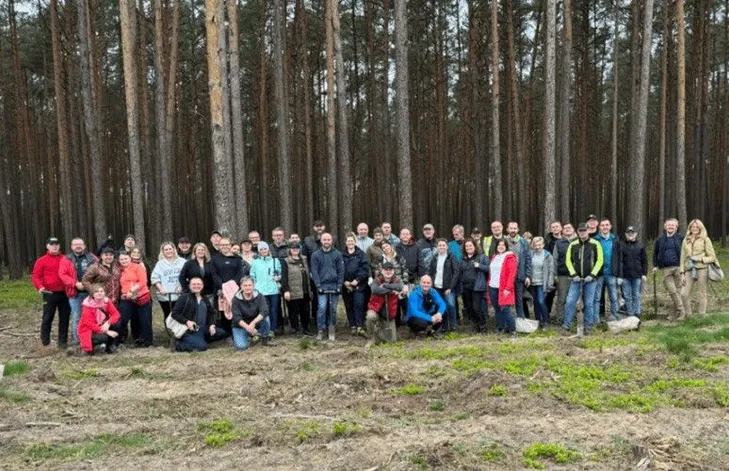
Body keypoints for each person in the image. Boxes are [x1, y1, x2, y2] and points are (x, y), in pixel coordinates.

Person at [562, 223, 603, 334]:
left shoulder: (595, 244)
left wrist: (593, 275)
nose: (583, 232)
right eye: (581, 231)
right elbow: (568, 261)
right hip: (576, 280)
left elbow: (600, 261)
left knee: (589, 303)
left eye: (584, 230)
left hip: (591, 280)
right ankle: (566, 325)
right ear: (578, 231)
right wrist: (573, 274)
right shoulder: (573, 244)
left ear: (588, 231)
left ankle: (588, 327)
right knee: (570, 302)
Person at [32, 237, 72, 349]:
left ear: (59, 246)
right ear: (47, 246)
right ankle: (45, 343)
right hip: (49, 293)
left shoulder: (65, 259)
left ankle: (62, 343)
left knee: (64, 318)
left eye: (56, 244)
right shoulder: (42, 260)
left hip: (65, 294)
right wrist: (40, 287)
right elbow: (35, 276)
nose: (54, 246)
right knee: (47, 318)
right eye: (52, 244)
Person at [168, 277, 227, 352]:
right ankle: (178, 344)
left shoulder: (204, 298)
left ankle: (198, 340)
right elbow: (175, 313)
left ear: (202, 286)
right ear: (189, 286)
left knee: (222, 333)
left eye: (199, 284)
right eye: (194, 284)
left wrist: (212, 325)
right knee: (202, 347)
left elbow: (211, 313)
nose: (196, 286)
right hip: (189, 330)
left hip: (203, 328)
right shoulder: (184, 297)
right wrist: (187, 322)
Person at [59, 237, 97, 345]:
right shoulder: (66, 259)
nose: (78, 246)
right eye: (75, 244)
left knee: (92, 316)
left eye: (80, 244)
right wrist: (75, 283)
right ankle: (78, 341)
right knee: (77, 317)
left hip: (90, 293)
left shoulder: (92, 258)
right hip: (74, 294)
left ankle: (92, 339)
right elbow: (62, 275)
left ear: (84, 246)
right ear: (71, 246)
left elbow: (99, 271)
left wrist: (89, 284)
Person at [310, 233, 345, 341]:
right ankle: (321, 329)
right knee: (322, 307)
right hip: (322, 285)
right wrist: (318, 285)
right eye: (324, 239)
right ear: (321, 241)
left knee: (333, 309)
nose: (326, 241)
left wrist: (339, 285)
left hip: (334, 285)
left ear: (331, 241)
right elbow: (314, 271)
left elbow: (341, 270)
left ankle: (332, 327)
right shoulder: (315, 255)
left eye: (328, 239)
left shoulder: (337, 254)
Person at [211, 237, 250, 334]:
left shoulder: (237, 258)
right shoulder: (214, 259)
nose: (225, 246)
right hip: (221, 290)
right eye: (222, 245)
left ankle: (240, 331)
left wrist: (233, 285)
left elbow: (240, 273)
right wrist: (223, 286)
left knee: (237, 310)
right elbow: (214, 274)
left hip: (236, 289)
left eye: (227, 244)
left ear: (230, 245)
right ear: (219, 246)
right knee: (225, 311)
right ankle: (228, 333)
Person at [680, 219, 717, 318]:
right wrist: (682, 273)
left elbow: (712, 257)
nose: (695, 228)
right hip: (688, 269)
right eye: (693, 227)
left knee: (701, 293)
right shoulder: (685, 240)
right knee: (683, 293)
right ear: (690, 228)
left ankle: (701, 316)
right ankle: (689, 316)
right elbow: (682, 257)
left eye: (697, 227)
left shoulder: (705, 239)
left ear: (701, 228)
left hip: (702, 269)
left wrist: (700, 259)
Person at [118, 251, 153, 347]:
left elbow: (143, 282)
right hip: (127, 298)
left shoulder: (138, 267)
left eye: (126, 258)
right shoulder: (119, 270)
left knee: (145, 320)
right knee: (123, 319)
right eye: (121, 259)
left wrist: (132, 290)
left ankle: (148, 342)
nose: (124, 261)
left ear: (130, 259)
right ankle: (118, 341)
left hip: (141, 296)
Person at [365, 262, 404, 347]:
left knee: (392, 341)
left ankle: (378, 332)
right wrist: (391, 290)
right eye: (386, 270)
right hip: (376, 310)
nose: (388, 272)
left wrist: (385, 285)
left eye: (390, 270)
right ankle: (370, 338)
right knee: (370, 316)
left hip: (388, 314)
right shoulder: (377, 280)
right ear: (382, 271)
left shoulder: (397, 280)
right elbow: (375, 290)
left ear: (393, 271)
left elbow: (400, 287)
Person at [653, 218, 685, 320]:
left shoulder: (680, 237)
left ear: (676, 227)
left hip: (679, 268)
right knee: (672, 291)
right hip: (666, 269)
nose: (670, 227)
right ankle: (682, 311)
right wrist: (655, 265)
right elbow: (655, 253)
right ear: (665, 226)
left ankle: (674, 314)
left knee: (678, 292)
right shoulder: (660, 239)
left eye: (673, 225)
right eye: (669, 225)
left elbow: (685, 252)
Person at [231, 276, 275, 350]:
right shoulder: (235, 299)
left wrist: (253, 323)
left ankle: (264, 339)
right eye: (245, 285)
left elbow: (265, 310)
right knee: (241, 347)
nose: (247, 288)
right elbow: (236, 318)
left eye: (250, 285)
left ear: (253, 286)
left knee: (265, 317)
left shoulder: (260, 296)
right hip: (241, 326)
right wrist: (248, 327)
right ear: (241, 286)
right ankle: (249, 337)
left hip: (256, 323)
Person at [249, 242, 283, 334]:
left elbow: (279, 273)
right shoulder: (255, 262)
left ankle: (272, 329)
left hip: (273, 290)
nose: (264, 251)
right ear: (259, 251)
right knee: (264, 311)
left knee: (274, 310)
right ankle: (265, 328)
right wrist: (255, 286)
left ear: (268, 249)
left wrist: (278, 277)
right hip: (261, 290)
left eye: (265, 249)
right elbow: (252, 276)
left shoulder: (275, 261)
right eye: (261, 249)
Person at [77, 284, 121, 355]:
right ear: (92, 294)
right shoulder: (87, 305)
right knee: (103, 337)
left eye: (101, 291)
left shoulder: (106, 301)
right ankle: (89, 348)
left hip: (102, 325)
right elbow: (90, 324)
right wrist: (106, 331)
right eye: (96, 291)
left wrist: (108, 322)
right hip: (89, 330)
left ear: (104, 293)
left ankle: (109, 347)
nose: (99, 293)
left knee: (117, 324)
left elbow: (116, 314)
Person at [428, 238, 460, 331]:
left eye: (443, 245)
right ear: (437, 247)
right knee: (441, 307)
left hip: (448, 287)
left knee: (451, 305)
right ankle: (444, 326)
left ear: (447, 247)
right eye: (439, 245)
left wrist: (451, 287)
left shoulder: (451, 257)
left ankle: (453, 325)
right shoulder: (434, 257)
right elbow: (431, 272)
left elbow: (456, 273)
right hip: (436, 287)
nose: (441, 247)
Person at [593, 218, 621, 322]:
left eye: (606, 225)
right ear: (599, 227)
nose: (605, 227)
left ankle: (615, 318)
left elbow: (619, 258)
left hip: (612, 274)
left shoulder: (615, 240)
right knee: (596, 298)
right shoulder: (595, 240)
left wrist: (619, 275)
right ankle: (596, 320)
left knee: (613, 297)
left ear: (610, 226)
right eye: (602, 225)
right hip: (599, 274)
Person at [459, 239, 490, 333]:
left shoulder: (482, 257)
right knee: (470, 308)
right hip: (465, 287)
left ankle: (483, 326)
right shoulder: (463, 259)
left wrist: (479, 266)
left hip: (477, 287)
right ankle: (475, 326)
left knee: (477, 308)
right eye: (467, 246)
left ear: (475, 246)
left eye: (470, 246)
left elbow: (489, 268)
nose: (468, 248)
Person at [341, 233, 369, 336]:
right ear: (345, 242)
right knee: (349, 305)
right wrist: (344, 281)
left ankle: (359, 326)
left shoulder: (361, 254)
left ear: (355, 242)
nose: (350, 243)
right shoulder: (341, 255)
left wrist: (357, 280)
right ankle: (352, 325)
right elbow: (339, 269)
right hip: (346, 285)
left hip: (359, 285)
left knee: (359, 304)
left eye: (352, 241)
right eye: (348, 241)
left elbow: (364, 269)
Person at [281, 244, 312, 336]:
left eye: (297, 248)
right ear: (290, 250)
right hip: (292, 290)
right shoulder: (286, 261)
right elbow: (284, 277)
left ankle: (305, 328)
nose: (295, 250)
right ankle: (296, 329)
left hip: (305, 289)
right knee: (293, 311)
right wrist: (286, 290)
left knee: (306, 310)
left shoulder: (304, 259)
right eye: (293, 248)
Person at [488, 239, 517, 337]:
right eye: (499, 245)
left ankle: (513, 330)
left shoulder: (510, 257)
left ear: (506, 246)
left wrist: (508, 288)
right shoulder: (494, 257)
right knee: (497, 309)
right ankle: (501, 328)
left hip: (504, 288)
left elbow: (511, 274)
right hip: (492, 286)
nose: (500, 246)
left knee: (505, 309)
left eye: (503, 245)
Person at [151, 241, 186, 320]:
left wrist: (181, 286)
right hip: (166, 296)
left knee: (180, 314)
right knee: (168, 315)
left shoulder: (183, 262)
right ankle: (169, 331)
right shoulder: (160, 264)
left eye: (170, 249)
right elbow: (155, 278)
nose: (168, 251)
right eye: (166, 250)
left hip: (180, 294)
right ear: (163, 252)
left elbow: (188, 276)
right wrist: (161, 288)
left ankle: (181, 331)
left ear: (174, 249)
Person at [505, 222, 532, 319]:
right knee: (506, 300)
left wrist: (528, 275)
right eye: (511, 228)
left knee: (519, 300)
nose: (513, 230)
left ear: (518, 229)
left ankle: (521, 321)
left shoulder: (523, 242)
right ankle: (507, 322)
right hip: (506, 277)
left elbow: (528, 259)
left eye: (514, 228)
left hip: (519, 276)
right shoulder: (504, 241)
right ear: (507, 229)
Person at [619, 226, 647, 318]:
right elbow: (619, 261)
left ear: (636, 234)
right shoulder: (621, 245)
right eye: (628, 233)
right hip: (625, 276)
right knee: (627, 296)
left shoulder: (640, 245)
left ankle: (637, 314)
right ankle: (630, 314)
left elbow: (644, 261)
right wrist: (619, 275)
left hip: (637, 276)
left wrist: (644, 274)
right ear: (625, 234)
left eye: (632, 232)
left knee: (636, 296)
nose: (630, 234)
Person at [553, 223, 577, 322]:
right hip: (563, 274)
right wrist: (554, 274)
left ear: (573, 229)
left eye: (569, 228)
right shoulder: (559, 243)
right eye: (565, 228)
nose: (567, 229)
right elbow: (555, 259)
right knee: (562, 298)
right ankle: (561, 318)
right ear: (562, 231)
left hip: (576, 275)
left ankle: (573, 317)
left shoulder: (579, 241)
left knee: (574, 298)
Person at [529, 237, 555, 329]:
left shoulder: (548, 256)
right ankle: (537, 321)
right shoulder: (531, 254)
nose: (538, 247)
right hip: (532, 283)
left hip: (542, 283)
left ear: (543, 245)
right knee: (536, 302)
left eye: (539, 245)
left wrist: (549, 284)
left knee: (541, 301)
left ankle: (546, 321)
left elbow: (551, 271)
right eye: (536, 245)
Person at [544, 221, 562, 316]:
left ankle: (561, 315)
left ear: (560, 228)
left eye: (557, 226)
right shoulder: (548, 241)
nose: (555, 228)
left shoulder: (565, 240)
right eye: (553, 227)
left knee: (563, 295)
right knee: (550, 294)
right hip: (551, 271)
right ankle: (547, 314)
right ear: (551, 229)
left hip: (563, 271)